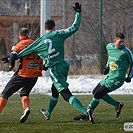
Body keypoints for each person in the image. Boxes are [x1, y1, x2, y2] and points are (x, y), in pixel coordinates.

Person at [16, 2, 90, 121]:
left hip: (55, 68)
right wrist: (78, 13)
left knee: (65, 93)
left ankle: (85, 112)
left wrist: (14, 57)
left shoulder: (41, 40)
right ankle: (48, 112)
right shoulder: (59, 34)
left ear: (44, 28)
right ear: (54, 27)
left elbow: (27, 50)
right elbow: (74, 27)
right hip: (63, 66)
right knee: (54, 90)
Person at [73, 33, 133, 123]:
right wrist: (107, 67)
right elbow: (110, 57)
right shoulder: (109, 46)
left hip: (118, 79)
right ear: (114, 40)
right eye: (120, 42)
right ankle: (117, 105)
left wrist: (130, 76)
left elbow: (132, 64)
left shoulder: (126, 52)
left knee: (98, 94)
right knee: (95, 92)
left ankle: (88, 113)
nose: (121, 44)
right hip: (110, 76)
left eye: (123, 42)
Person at [0, 28, 43, 123]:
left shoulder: (19, 45)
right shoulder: (36, 43)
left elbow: (13, 55)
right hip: (34, 75)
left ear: (19, 36)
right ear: (28, 34)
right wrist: (42, 68)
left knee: (5, 93)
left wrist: (11, 65)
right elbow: (42, 56)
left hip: (23, 74)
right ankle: (26, 109)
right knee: (24, 93)